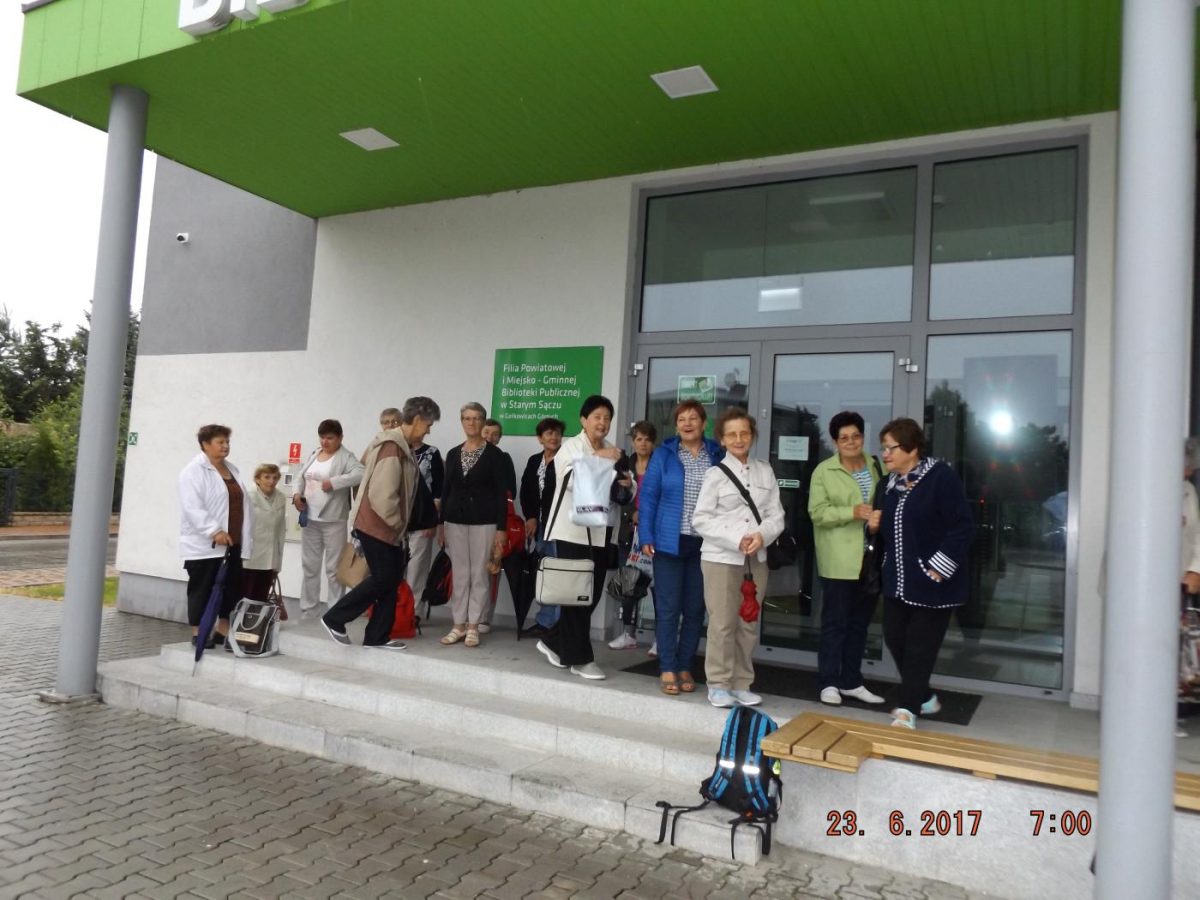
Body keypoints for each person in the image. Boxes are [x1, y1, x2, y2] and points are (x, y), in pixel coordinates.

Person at [868, 417, 973, 729]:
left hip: (933, 583)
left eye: (891, 448)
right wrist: (872, 527)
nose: (885, 454)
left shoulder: (941, 478)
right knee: (895, 638)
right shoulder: (886, 486)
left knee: (919, 647)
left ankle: (908, 708)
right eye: (883, 448)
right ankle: (924, 695)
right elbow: (884, 534)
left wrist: (940, 566)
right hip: (898, 582)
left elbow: (963, 526)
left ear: (912, 449)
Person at [321, 397, 441, 649]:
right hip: (378, 525)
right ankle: (335, 618)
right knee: (384, 578)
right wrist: (398, 526)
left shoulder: (401, 446)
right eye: (428, 424)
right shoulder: (393, 447)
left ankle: (377, 637)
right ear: (417, 419)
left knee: (391, 578)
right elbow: (382, 495)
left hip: (385, 527)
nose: (428, 430)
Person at [536, 395, 634, 680]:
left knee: (589, 596)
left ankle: (553, 640)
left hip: (603, 533)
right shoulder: (571, 447)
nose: (602, 423)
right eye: (597, 417)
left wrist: (628, 485)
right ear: (583, 420)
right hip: (574, 533)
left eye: (607, 418)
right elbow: (570, 481)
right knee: (578, 596)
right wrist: (599, 459)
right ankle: (580, 659)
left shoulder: (612, 449)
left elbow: (626, 488)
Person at [692, 408, 784, 708]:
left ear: (752, 435)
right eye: (731, 434)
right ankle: (718, 684)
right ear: (722, 439)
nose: (739, 439)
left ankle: (741, 683)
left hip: (756, 558)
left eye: (744, 433)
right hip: (721, 558)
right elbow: (701, 519)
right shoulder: (715, 475)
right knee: (722, 623)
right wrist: (737, 538)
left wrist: (761, 536)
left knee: (748, 623)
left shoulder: (765, 471)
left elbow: (776, 515)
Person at [639, 400, 723, 695]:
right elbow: (648, 496)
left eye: (693, 418)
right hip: (669, 542)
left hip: (705, 543)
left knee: (695, 608)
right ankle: (667, 666)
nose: (687, 423)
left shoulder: (716, 454)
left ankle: (685, 665)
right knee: (668, 608)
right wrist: (646, 535)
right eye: (682, 419)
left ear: (704, 423)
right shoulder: (664, 455)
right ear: (676, 426)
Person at [808, 411, 887, 707]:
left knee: (859, 624)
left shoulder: (877, 465)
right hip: (838, 560)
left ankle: (851, 681)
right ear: (835, 442)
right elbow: (817, 513)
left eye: (856, 436)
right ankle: (828, 681)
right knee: (835, 624)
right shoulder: (824, 471)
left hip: (869, 559)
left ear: (863, 437)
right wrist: (851, 512)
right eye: (844, 438)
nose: (851, 442)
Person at [439, 403, 509, 647]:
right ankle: (458, 624)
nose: (472, 423)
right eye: (467, 418)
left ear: (483, 421)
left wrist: (501, 528)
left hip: (485, 521)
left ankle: (473, 626)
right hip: (454, 521)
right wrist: (440, 524)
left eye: (477, 418)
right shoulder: (453, 453)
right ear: (462, 422)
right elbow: (446, 490)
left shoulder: (495, 455)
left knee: (479, 574)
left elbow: (501, 494)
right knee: (460, 574)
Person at [178, 424, 252, 646]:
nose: (225, 446)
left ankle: (223, 630)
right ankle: (198, 632)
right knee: (202, 589)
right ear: (205, 445)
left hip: (233, 542)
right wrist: (214, 530)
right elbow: (192, 507)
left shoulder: (232, 470)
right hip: (205, 546)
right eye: (220, 442)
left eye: (227, 442)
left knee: (231, 589)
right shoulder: (192, 472)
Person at [293, 420, 365, 616]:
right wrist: (296, 494)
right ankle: (309, 608)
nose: (325, 442)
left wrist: (334, 482)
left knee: (333, 568)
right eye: (322, 437)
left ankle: (334, 610)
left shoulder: (346, 456)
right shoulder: (315, 453)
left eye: (330, 438)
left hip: (333, 520)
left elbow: (361, 473)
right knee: (310, 565)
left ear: (340, 438)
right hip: (310, 518)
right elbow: (300, 476)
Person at [609, 420, 658, 651]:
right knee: (628, 584)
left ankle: (660, 639)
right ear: (632, 441)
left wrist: (645, 513)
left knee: (658, 588)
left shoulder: (660, 465)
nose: (643, 443)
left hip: (654, 535)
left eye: (647, 439)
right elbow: (616, 496)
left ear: (653, 442)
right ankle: (628, 634)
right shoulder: (624, 465)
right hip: (629, 533)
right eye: (639, 439)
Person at [519, 417, 565, 637]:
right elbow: (526, 491)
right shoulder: (534, 460)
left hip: (560, 527)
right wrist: (530, 517)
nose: (554, 437)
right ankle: (544, 621)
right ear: (540, 438)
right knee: (543, 573)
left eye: (557, 433)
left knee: (558, 574)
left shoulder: (566, 460)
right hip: (540, 526)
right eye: (549, 433)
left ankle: (556, 625)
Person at [479, 417, 519, 632]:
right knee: (472, 572)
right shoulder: (467, 454)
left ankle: (485, 617)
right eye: (487, 432)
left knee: (492, 568)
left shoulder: (504, 459)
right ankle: (468, 616)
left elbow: (511, 492)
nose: (490, 437)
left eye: (495, 434)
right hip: (472, 523)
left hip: (496, 523)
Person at [407, 430, 445, 615]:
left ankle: (413, 612)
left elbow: (439, 489)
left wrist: (433, 520)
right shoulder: (397, 450)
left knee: (417, 569)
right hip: (398, 519)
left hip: (423, 519)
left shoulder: (432, 453)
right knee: (395, 568)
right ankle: (395, 611)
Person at [243, 463, 287, 604]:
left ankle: (256, 620)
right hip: (250, 558)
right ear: (257, 479)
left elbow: (280, 532)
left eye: (275, 478)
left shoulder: (281, 498)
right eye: (267, 477)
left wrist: (278, 563)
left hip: (270, 559)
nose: (271, 481)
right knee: (245, 597)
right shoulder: (248, 496)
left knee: (262, 600)